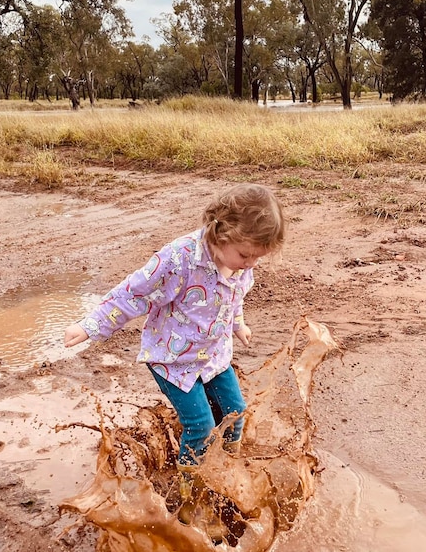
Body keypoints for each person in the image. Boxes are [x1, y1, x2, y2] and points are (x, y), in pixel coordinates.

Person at [63, 183, 285, 521]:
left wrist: (238, 324)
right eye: (245, 255)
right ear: (220, 232)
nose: (250, 263)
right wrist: (90, 326)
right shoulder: (179, 258)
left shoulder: (241, 263)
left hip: (213, 355)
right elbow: (131, 294)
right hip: (172, 360)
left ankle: (227, 467)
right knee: (199, 425)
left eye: (258, 257)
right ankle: (190, 490)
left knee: (235, 412)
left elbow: (234, 296)